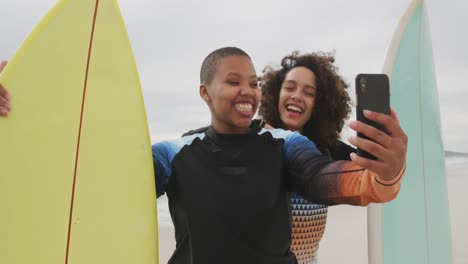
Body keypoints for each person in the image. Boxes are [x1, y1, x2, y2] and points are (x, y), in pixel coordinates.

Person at [0, 47, 407, 264]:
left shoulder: (286, 144)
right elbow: (99, 176)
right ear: (204, 92)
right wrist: (28, 105)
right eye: (233, 81)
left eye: (252, 82)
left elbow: (328, 179)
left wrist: (383, 177)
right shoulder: (175, 151)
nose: (248, 91)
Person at [259, 51, 356, 263]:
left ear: (320, 104)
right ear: (276, 93)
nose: (296, 96)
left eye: (309, 93)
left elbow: (370, 177)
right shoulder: (255, 144)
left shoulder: (329, 152)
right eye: (290, 87)